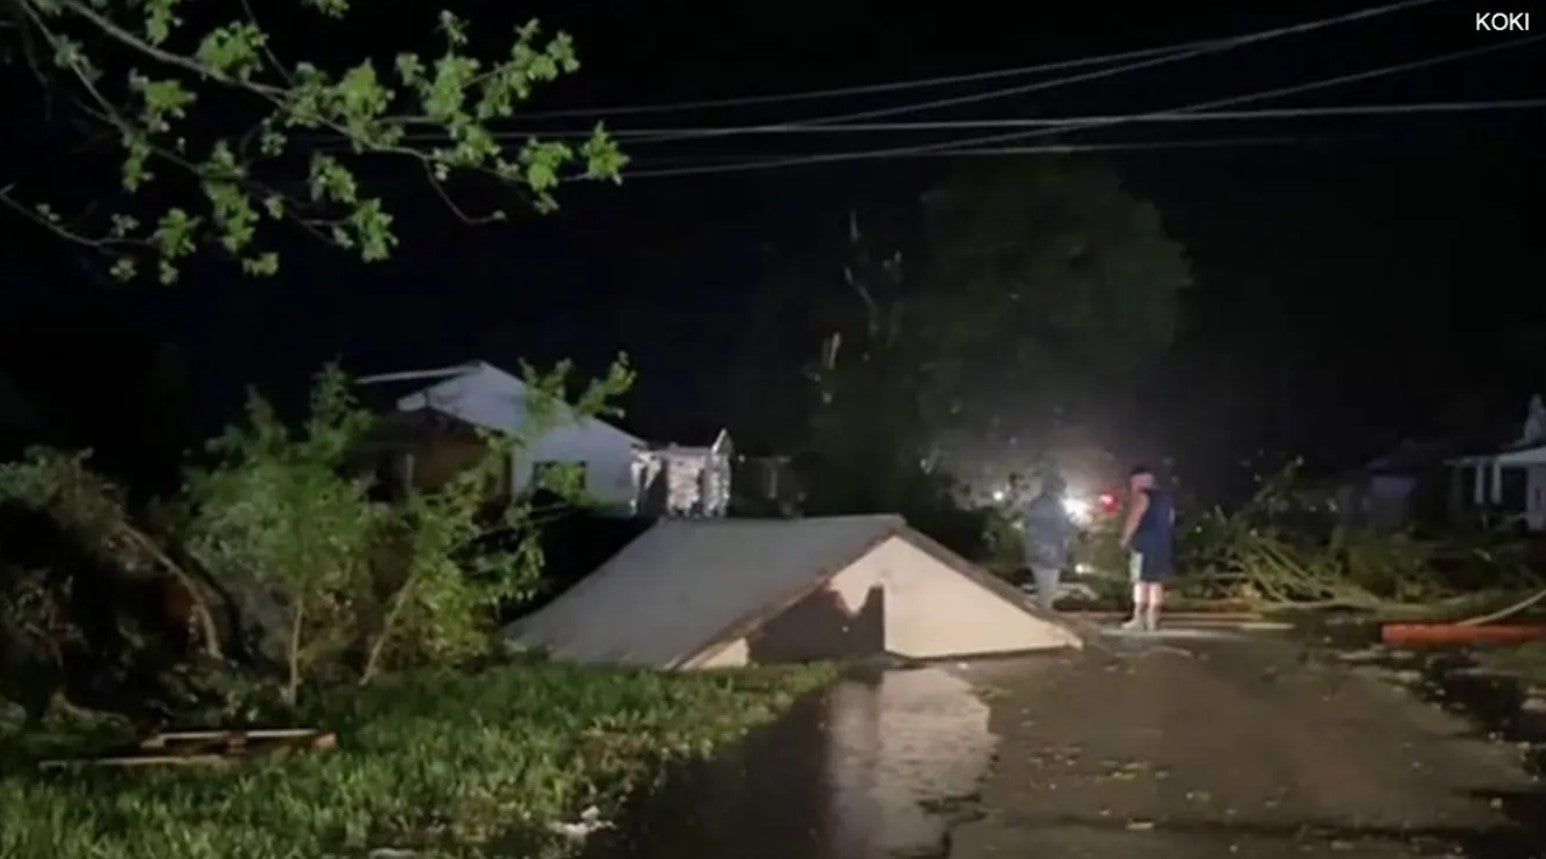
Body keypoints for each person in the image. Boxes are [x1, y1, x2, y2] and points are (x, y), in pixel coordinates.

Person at [1118, 464, 1175, 631]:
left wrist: (1124, 539)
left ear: (1143, 480)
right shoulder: (1166, 499)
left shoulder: (1142, 497)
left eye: (1134, 482)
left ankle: (1138, 618)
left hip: (1143, 545)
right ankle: (1153, 619)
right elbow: (1170, 520)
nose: (1132, 486)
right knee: (1156, 581)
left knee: (1140, 581)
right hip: (1162, 545)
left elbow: (1134, 519)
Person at [1022, 473, 1078, 612]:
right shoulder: (1049, 504)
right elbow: (1056, 527)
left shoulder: (1041, 503)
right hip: (1047, 554)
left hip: (1044, 553)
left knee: (1046, 592)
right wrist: (1070, 529)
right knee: (1047, 594)